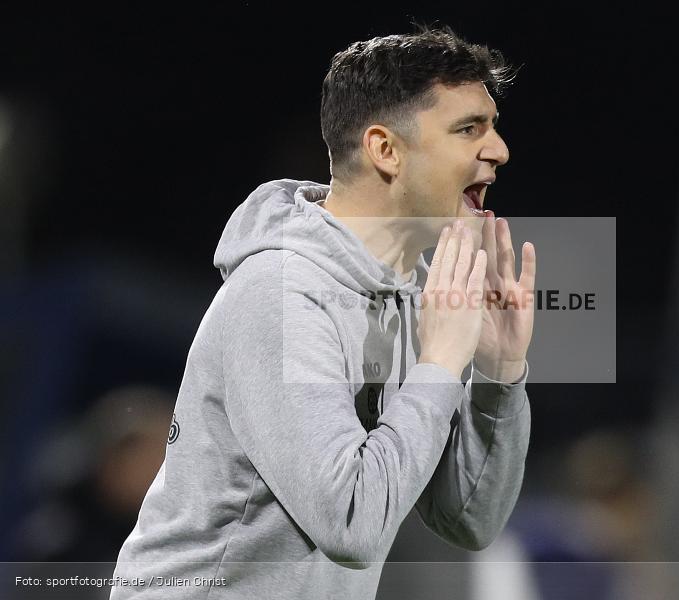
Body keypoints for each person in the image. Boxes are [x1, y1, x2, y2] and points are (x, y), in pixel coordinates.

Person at [110, 25, 536, 599]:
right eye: (469, 129)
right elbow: (353, 523)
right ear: (386, 150)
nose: (499, 149)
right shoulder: (280, 293)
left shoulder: (411, 298)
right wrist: (438, 365)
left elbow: (468, 521)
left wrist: (498, 376)